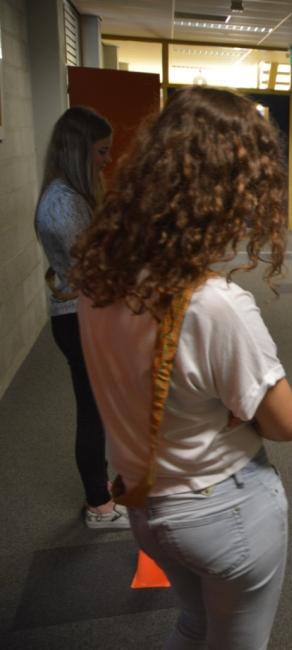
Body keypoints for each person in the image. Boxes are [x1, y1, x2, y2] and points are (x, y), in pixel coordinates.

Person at [72, 87, 292, 649]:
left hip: (148, 507)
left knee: (194, 624)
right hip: (224, 510)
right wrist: (225, 405)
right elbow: (284, 422)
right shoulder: (213, 304)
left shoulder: (99, 279)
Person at [34, 106, 127, 529]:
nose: (108, 160)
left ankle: (101, 491)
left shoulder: (71, 197)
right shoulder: (63, 204)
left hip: (86, 313)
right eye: (101, 152)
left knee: (101, 410)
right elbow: (97, 266)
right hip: (80, 318)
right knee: (92, 412)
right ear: (78, 152)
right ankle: (98, 506)